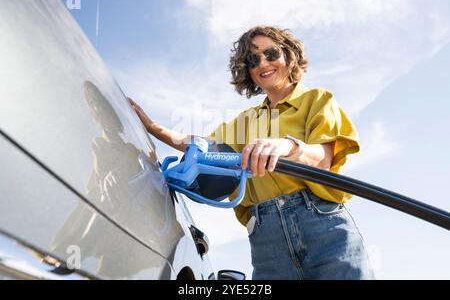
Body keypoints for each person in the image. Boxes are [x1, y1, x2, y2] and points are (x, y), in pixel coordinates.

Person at [128, 26, 374, 280]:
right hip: (266, 235)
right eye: (253, 60)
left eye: (271, 53)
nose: (263, 63)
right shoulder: (245, 121)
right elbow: (200, 145)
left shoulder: (317, 100)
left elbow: (324, 160)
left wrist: (286, 146)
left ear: (288, 56)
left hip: (321, 223)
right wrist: (152, 127)